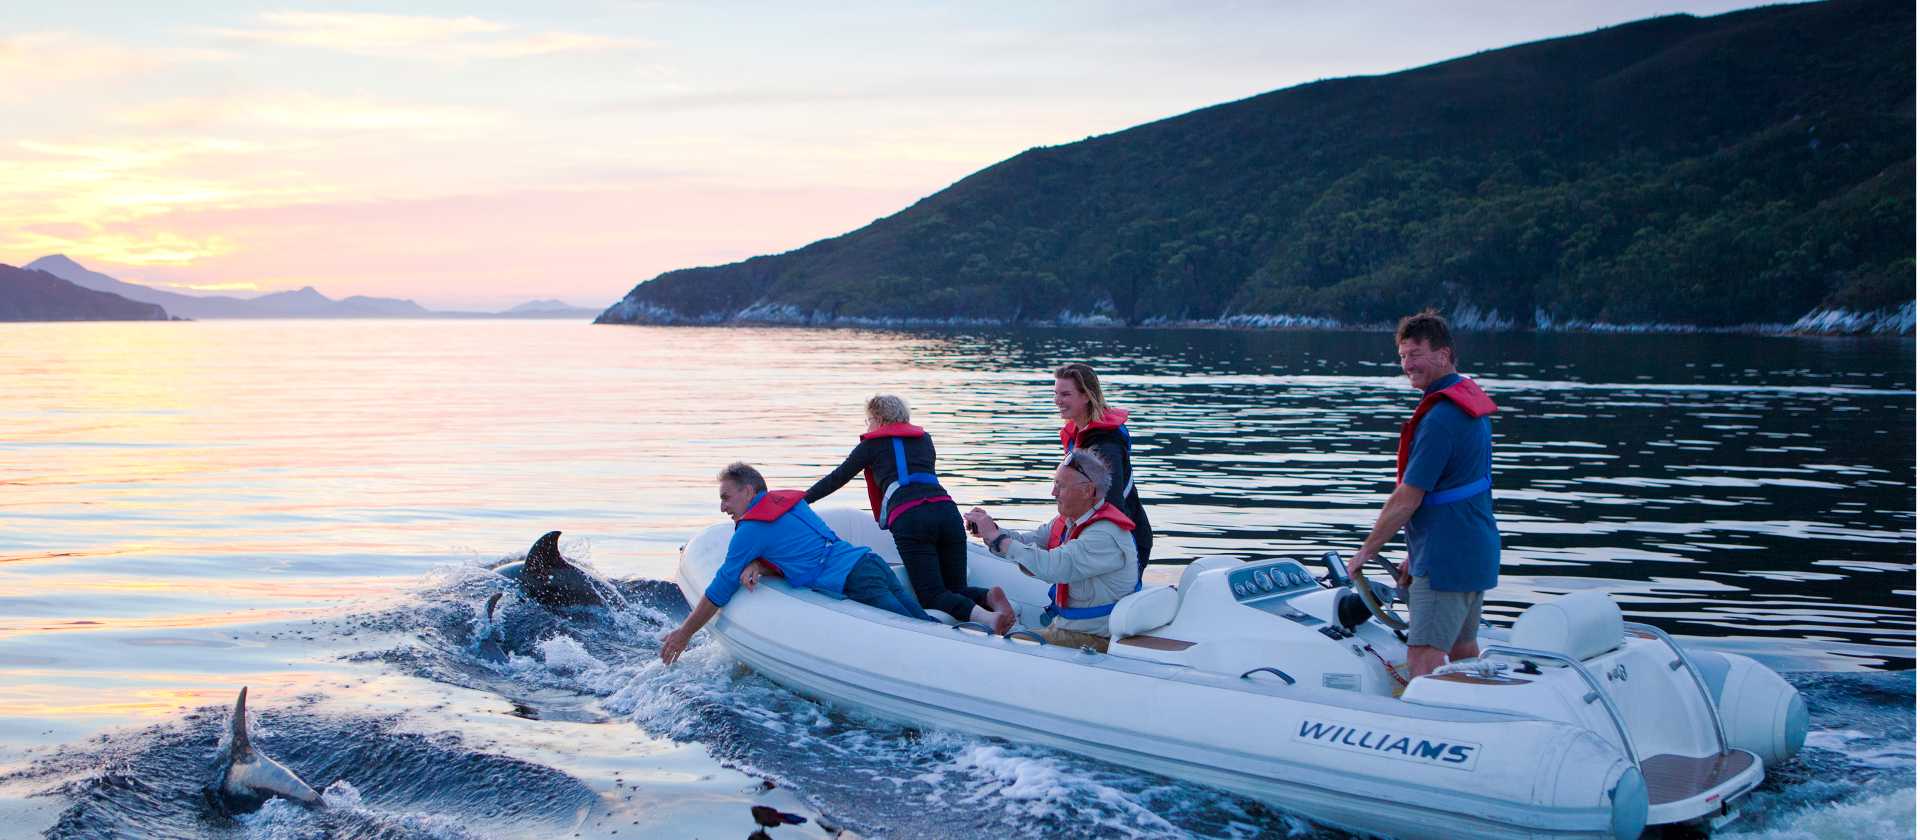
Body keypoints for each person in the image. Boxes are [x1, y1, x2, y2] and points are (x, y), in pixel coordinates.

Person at [1346, 311, 1500, 678]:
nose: (1407, 364)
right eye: (1402, 356)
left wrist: (1367, 551)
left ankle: (1430, 729)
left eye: (1416, 354)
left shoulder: (1441, 418)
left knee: (1424, 658)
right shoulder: (1466, 408)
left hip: (1446, 561)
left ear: (1443, 355)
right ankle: (1473, 721)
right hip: (1473, 551)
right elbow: (1453, 491)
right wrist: (1416, 555)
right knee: (1463, 650)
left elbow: (1408, 497)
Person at [660, 462, 932, 665]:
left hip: (857, 578)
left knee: (917, 636)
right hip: (870, 562)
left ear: (748, 491)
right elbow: (799, 552)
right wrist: (759, 564)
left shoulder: (752, 529)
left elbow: (721, 587)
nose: (723, 507)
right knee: (925, 624)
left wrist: (685, 633)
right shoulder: (788, 505)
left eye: (726, 497)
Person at [803, 395, 1016, 631]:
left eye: (868, 421)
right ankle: (988, 597)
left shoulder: (870, 446)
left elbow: (836, 479)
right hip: (947, 511)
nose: (868, 426)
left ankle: (988, 619)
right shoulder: (924, 440)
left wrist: (800, 501)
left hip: (911, 519)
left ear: (878, 419)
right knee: (956, 589)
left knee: (932, 595)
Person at [962, 449, 1139, 652]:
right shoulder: (1069, 520)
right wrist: (991, 531)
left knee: (1008, 643)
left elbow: (1053, 567)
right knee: (1008, 636)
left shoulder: (1104, 536)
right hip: (1068, 627)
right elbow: (1027, 541)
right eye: (1055, 484)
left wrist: (998, 539)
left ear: (1087, 491)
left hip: (1094, 637)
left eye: (1060, 486)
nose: (1053, 493)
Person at [1053, 363, 1153, 575]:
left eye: (1065, 394)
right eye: (1056, 393)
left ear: (1086, 396)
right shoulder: (1081, 434)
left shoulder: (1105, 446)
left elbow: (1111, 504)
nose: (1057, 401)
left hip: (1123, 543)